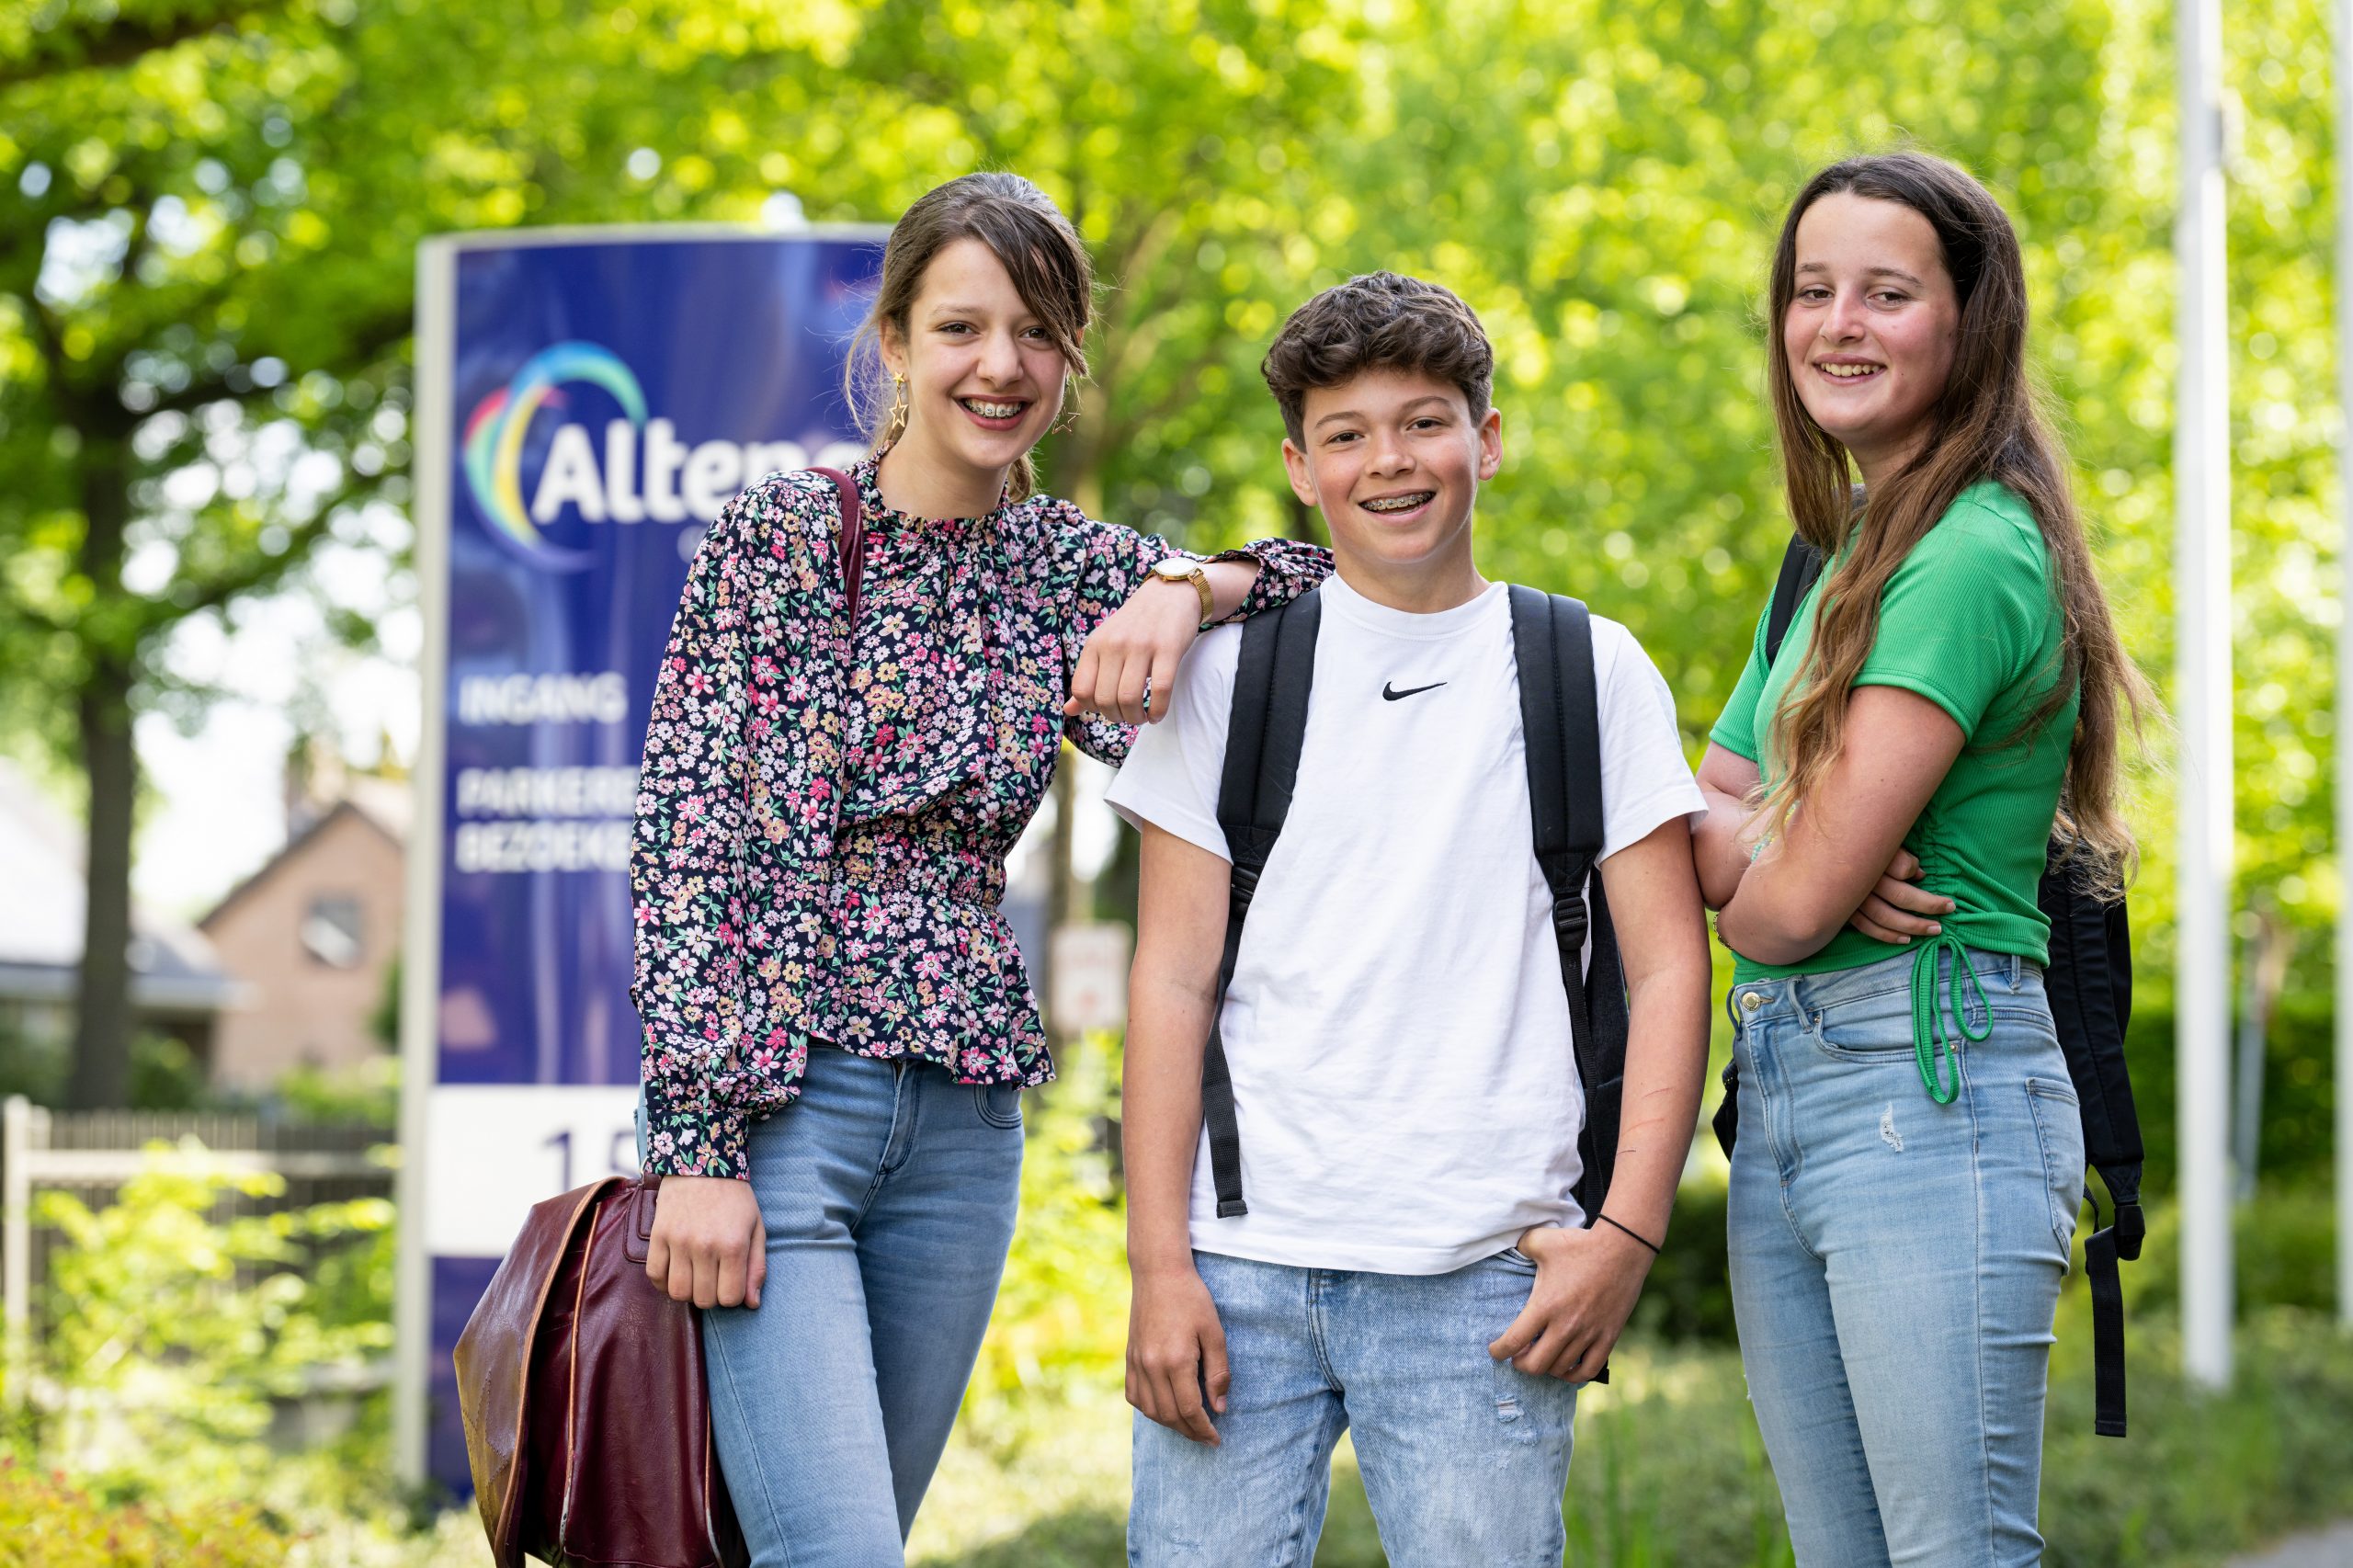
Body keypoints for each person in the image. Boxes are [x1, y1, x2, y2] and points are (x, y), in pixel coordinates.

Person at [626, 171, 1331, 1567]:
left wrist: (1188, 584)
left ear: (1071, 358)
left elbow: (1319, 582)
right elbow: (685, 842)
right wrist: (695, 1149)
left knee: (853, 1537)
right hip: (782, 1116)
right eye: (959, 327)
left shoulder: (1073, 565)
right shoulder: (777, 539)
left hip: (963, 1129)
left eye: (1036, 332)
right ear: (893, 342)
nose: (999, 364)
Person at [1108, 270, 1712, 1566]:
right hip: (1237, 1272)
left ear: (1487, 440)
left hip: (1488, 1273)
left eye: (1425, 420)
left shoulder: (1586, 667)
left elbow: (1669, 970)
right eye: (1347, 433)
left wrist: (1625, 1237)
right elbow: (1169, 981)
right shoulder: (1227, 678)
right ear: (1300, 469)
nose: (1390, 459)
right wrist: (1159, 1263)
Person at [1693, 152, 2149, 1566]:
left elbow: (1776, 909)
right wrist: (1784, 829)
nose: (1839, 322)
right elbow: (1706, 803)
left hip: (1925, 1085)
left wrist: (1785, 848)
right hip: (1788, 1089)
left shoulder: (1970, 556)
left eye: (1888, 293)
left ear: (1971, 323)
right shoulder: (1826, 556)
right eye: (1812, 289)